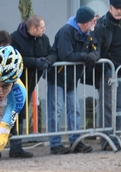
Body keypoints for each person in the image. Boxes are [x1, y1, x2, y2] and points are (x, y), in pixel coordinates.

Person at [47, 6, 99, 155]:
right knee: (56, 111)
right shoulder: (66, 32)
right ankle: (55, 143)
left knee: (74, 110)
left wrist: (94, 56)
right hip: (58, 77)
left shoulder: (88, 33)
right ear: (84, 22)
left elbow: (96, 48)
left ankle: (75, 141)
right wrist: (85, 57)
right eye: (92, 20)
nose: (95, 22)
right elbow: (66, 55)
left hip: (72, 78)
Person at [9, 15, 56, 158]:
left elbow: (52, 53)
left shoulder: (44, 39)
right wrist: (35, 62)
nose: (44, 30)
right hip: (15, 83)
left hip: (30, 83)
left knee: (22, 112)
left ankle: (17, 146)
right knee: (15, 113)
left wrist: (47, 61)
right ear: (33, 28)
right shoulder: (15, 38)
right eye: (42, 27)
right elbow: (16, 58)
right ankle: (15, 146)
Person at [93, 0, 121, 151]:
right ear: (110, 8)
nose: (119, 11)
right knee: (108, 106)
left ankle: (116, 136)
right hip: (108, 70)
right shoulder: (102, 25)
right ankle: (107, 139)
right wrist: (104, 68)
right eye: (117, 8)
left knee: (119, 106)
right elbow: (96, 48)